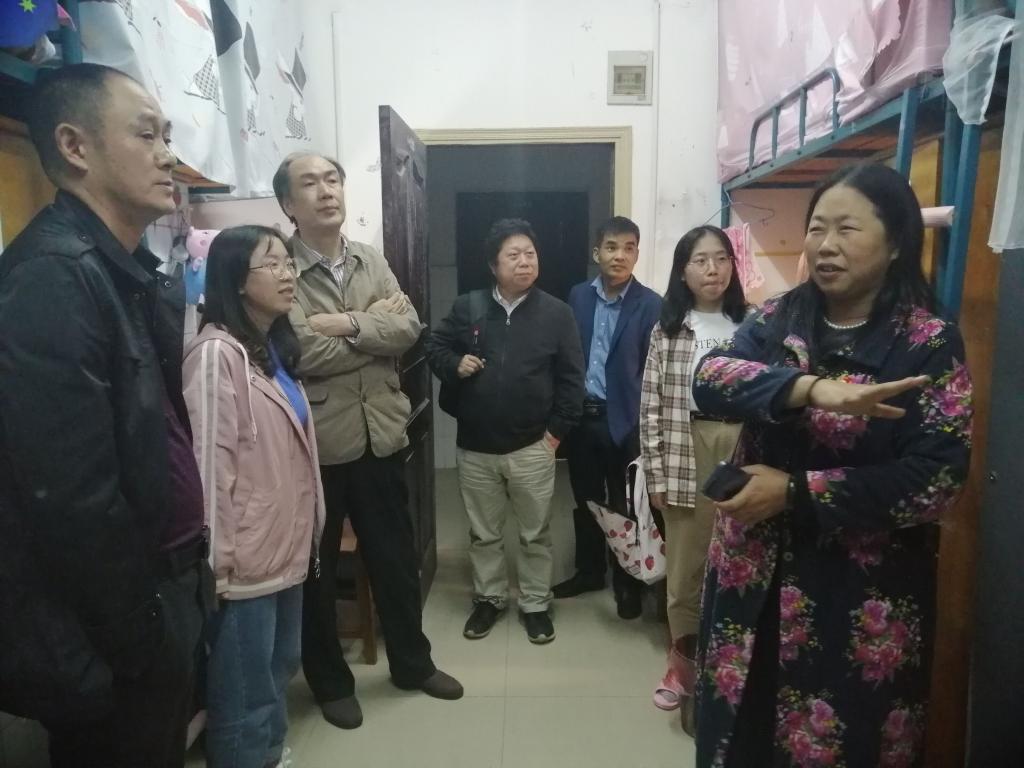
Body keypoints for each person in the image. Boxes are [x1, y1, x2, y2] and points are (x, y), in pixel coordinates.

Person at [692, 163, 973, 767]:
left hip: (856, 591)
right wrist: (811, 389)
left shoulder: (926, 342)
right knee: (740, 730)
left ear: (895, 242)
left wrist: (796, 492)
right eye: (817, 227)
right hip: (752, 574)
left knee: (842, 741)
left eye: (847, 229)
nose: (825, 244)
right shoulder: (780, 317)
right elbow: (710, 378)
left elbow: (937, 481)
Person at [0, 64, 211, 768]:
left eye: (168, 136)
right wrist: (139, 634)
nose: (167, 155)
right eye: (146, 135)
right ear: (75, 146)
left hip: (162, 584)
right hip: (118, 618)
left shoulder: (123, 268)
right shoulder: (54, 276)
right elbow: (69, 494)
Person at [272, 152, 462, 731]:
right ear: (288, 203)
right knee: (319, 572)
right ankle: (331, 683)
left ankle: (412, 664)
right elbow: (299, 350)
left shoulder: (370, 259)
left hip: (381, 435)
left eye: (332, 179)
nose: (326, 191)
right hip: (320, 446)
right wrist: (372, 327)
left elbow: (409, 328)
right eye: (310, 183)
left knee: (396, 562)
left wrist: (347, 324)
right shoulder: (281, 267)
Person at [182, 226, 325, 768]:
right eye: (273, 265)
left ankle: (268, 755)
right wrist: (214, 566)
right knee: (243, 691)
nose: (288, 275)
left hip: (283, 546)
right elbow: (207, 467)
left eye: (289, 263)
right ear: (237, 280)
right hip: (241, 560)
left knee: (278, 667)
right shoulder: (216, 353)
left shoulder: (270, 349)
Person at [426, 218, 584, 643]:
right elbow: (435, 346)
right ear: (493, 265)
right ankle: (489, 599)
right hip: (475, 448)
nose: (524, 262)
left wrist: (554, 436)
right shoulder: (469, 307)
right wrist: (454, 364)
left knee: (535, 534)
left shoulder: (557, 314)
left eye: (530, 254)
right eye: (513, 255)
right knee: (484, 534)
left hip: (533, 445)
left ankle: (535, 603)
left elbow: (572, 379)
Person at [640, 225, 748, 713]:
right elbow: (650, 408)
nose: (713, 269)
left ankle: (732, 665)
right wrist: (657, 476)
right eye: (701, 260)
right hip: (689, 445)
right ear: (683, 271)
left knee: (741, 560)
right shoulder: (668, 330)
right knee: (685, 569)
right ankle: (682, 668)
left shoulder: (752, 325)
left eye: (721, 258)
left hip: (744, 442)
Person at [553, 216, 661, 619]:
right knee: (585, 499)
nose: (620, 255)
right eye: (612, 247)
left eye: (629, 248)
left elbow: (651, 369)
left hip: (625, 421)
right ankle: (589, 572)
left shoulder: (651, 304)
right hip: (582, 417)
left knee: (624, 502)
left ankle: (627, 582)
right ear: (596, 252)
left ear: (637, 254)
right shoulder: (578, 296)